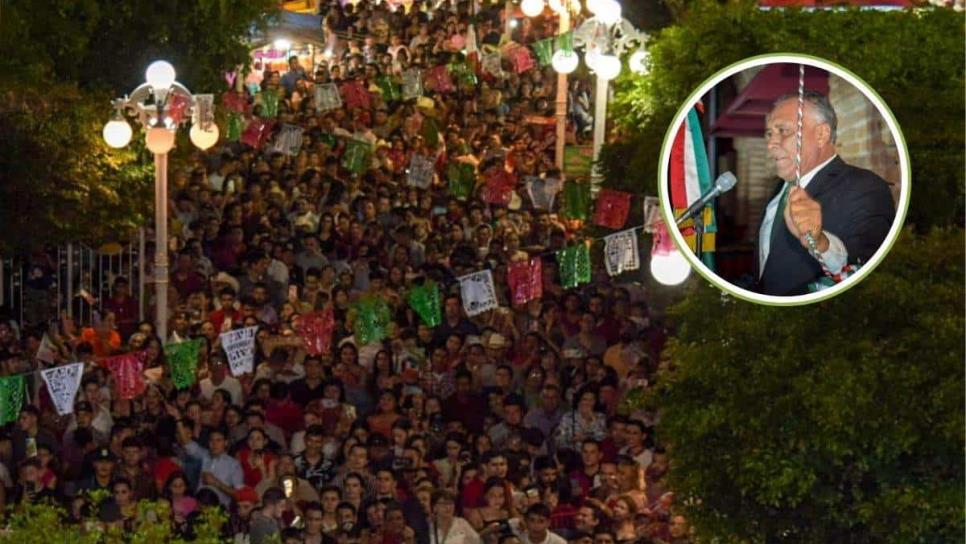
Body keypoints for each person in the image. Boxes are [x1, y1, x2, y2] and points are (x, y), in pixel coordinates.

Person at [757, 90, 896, 295]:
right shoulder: (779, 187)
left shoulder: (866, 188)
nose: (771, 144)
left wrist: (821, 242)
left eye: (783, 131)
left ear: (821, 134)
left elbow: (867, 269)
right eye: (770, 133)